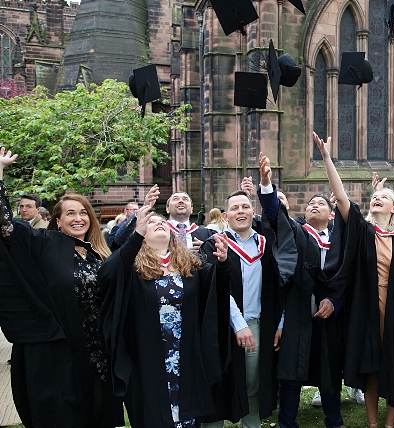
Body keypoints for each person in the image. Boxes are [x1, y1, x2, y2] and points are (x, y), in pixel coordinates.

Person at [0, 147, 124, 428]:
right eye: (70, 213)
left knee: (99, 412)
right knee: (65, 414)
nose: (78, 218)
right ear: (58, 220)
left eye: (83, 213)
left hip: (98, 349)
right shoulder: (44, 244)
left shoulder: (97, 253)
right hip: (61, 351)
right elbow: (5, 226)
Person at [313, 132, 394, 428]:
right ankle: (373, 424)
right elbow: (343, 198)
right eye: (374, 197)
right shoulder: (364, 232)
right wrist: (327, 159)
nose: (377, 199)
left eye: (383, 197)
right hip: (367, 308)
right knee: (371, 364)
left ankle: (390, 423)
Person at [98, 207, 231, 427]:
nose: (159, 223)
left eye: (163, 222)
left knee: (186, 415)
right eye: (151, 223)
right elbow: (106, 275)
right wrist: (136, 236)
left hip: (185, 353)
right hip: (148, 355)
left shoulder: (190, 264)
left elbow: (216, 289)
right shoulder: (131, 266)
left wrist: (224, 264)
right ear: (140, 233)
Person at [254, 153, 348, 428]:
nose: (315, 206)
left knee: (328, 370)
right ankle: (287, 423)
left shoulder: (340, 240)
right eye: (311, 204)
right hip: (297, 308)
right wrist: (266, 183)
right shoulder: (297, 232)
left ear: (331, 213)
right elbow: (274, 214)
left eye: (321, 203)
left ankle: (334, 421)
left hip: (329, 313)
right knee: (292, 369)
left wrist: (335, 301)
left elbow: (350, 278)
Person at [199, 187, 293, 428]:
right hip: (221, 327)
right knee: (218, 384)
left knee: (254, 383)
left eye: (244, 207)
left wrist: (280, 322)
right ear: (225, 215)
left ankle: (252, 425)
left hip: (257, 325)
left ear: (253, 212)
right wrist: (238, 324)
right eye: (234, 208)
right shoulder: (214, 245)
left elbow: (280, 287)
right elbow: (216, 289)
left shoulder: (267, 244)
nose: (240, 211)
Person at [114, 188, 213, 252]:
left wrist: (206, 250)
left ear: (191, 209)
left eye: (185, 199)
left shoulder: (208, 234)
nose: (181, 201)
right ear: (167, 209)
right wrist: (143, 209)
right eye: (175, 199)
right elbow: (118, 241)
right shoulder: (153, 231)